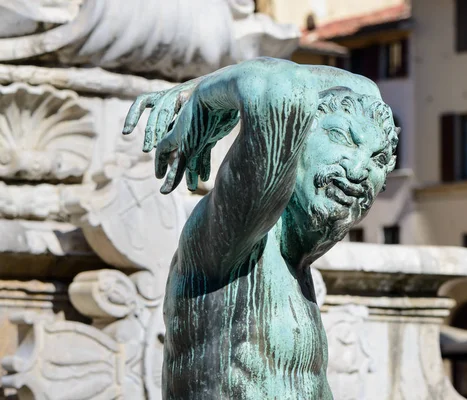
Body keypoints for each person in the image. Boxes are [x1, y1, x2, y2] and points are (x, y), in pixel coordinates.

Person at [124, 58, 398, 399]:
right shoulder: (234, 234)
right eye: (342, 137)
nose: (360, 169)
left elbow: (366, 89)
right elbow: (283, 89)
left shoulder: (294, 259)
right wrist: (201, 95)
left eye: (379, 159)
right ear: (293, 141)